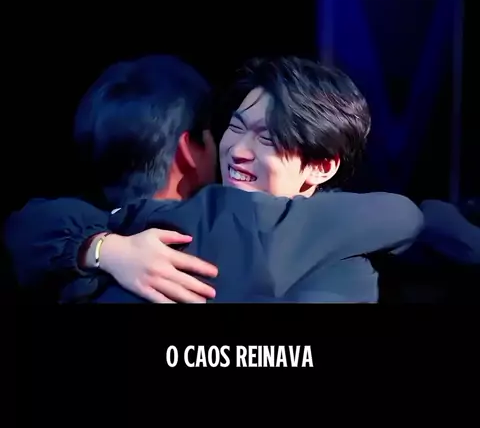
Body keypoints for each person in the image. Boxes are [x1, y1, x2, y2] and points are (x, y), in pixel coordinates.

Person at [4, 54, 424, 303]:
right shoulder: (173, 225)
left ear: (322, 165)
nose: (238, 149)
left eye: (268, 138)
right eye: (236, 127)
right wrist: (104, 248)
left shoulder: (344, 261)